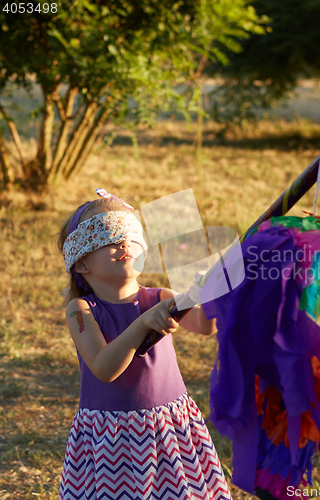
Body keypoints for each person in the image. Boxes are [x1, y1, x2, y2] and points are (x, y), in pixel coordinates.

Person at [57, 190, 232, 500]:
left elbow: (206, 326)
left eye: (130, 237)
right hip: (111, 439)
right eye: (110, 238)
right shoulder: (81, 310)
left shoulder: (160, 298)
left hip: (167, 429)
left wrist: (210, 293)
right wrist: (143, 323)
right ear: (81, 262)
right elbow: (104, 367)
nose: (124, 244)